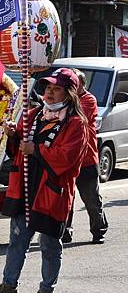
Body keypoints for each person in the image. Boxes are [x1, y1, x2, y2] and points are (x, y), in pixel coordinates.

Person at [0, 68, 87, 293]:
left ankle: (46, 288)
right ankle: (8, 285)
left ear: (69, 93)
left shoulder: (76, 124)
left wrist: (36, 149)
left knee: (49, 245)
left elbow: (68, 158)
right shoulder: (33, 115)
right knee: (17, 240)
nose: (50, 93)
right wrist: (13, 135)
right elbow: (17, 150)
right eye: (48, 88)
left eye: (56, 89)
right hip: (24, 188)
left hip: (51, 192)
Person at [61, 68, 108, 244]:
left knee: (91, 199)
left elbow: (77, 117)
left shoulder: (88, 99)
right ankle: (65, 231)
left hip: (87, 159)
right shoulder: (64, 100)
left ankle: (98, 229)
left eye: (75, 82)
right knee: (66, 199)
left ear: (81, 84)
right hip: (67, 159)